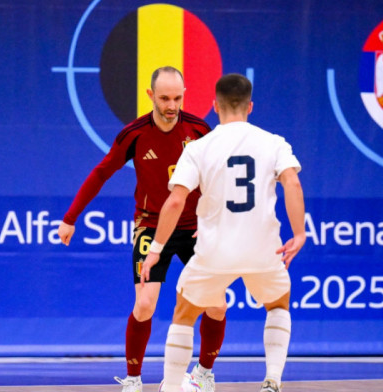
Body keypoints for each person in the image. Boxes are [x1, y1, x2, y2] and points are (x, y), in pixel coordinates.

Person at [58, 66, 226, 392]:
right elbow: (101, 173)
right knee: (145, 304)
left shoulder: (200, 130)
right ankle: (133, 379)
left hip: (194, 229)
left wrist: (213, 219)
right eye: (164, 98)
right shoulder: (134, 134)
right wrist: (71, 217)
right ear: (150, 96)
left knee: (217, 305)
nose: (172, 105)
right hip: (151, 226)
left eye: (177, 98)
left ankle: (203, 373)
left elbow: (220, 179)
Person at [141, 73, 306, 392]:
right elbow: (293, 183)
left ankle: (172, 387)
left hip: (214, 249)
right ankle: (272, 380)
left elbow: (176, 201)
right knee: (278, 304)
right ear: (250, 106)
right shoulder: (274, 143)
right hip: (263, 249)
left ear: (214, 106)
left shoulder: (199, 148)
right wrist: (298, 233)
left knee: (184, 313)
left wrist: (156, 249)